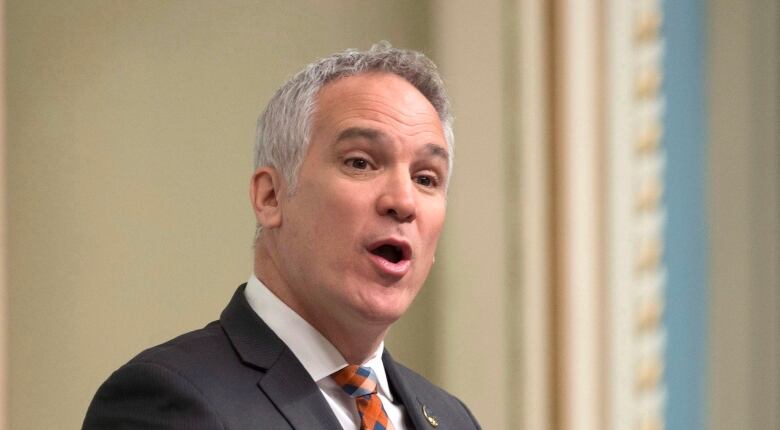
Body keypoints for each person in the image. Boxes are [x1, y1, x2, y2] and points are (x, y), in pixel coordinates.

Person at [83, 42, 481, 430]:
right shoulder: (166, 401)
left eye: (426, 178)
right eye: (360, 162)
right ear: (271, 196)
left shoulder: (452, 419)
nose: (403, 201)